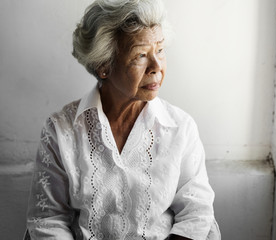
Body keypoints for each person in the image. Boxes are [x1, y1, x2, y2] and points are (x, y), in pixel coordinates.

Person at [26, 0, 221, 239]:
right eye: (141, 55)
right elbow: (48, 220)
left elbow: (196, 213)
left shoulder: (180, 128)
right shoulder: (61, 130)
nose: (156, 66)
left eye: (160, 50)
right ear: (103, 66)